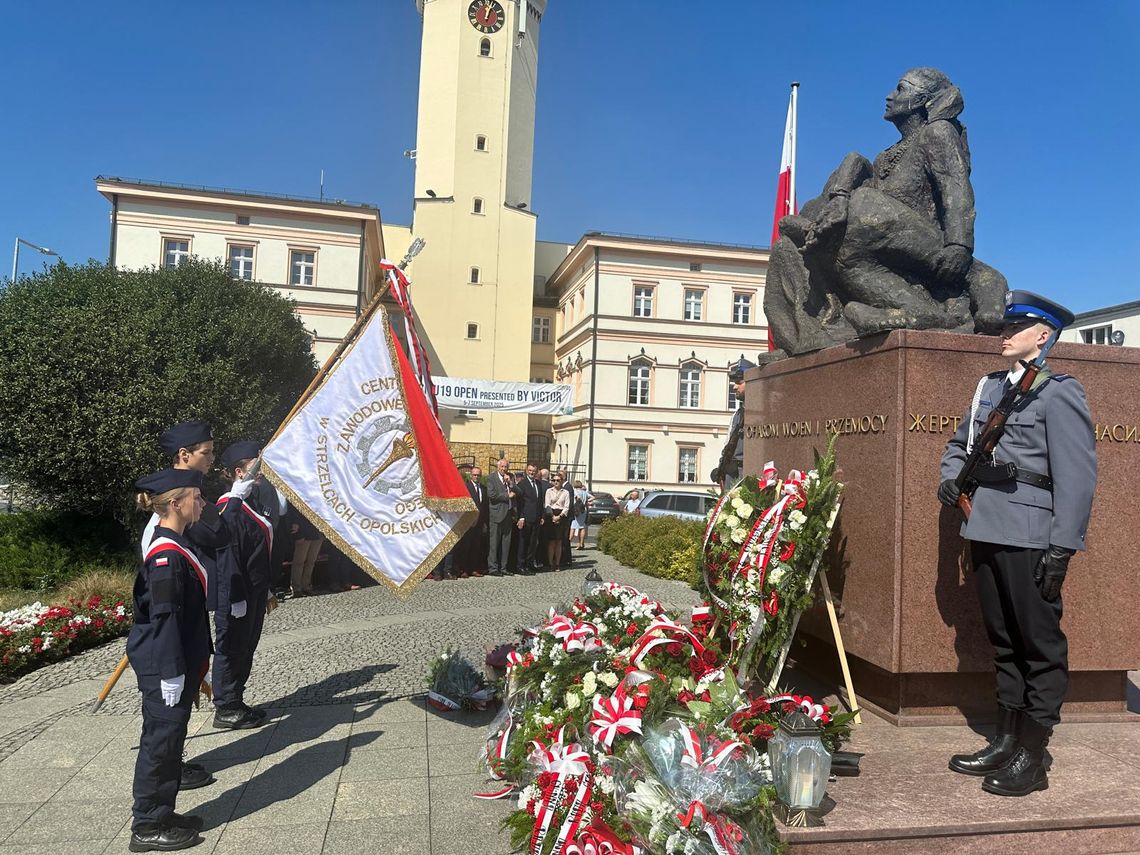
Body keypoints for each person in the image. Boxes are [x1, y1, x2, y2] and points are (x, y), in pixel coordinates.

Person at [939, 290, 1096, 797]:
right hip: (983, 527)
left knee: (1039, 646)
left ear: (1043, 335)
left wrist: (1061, 549)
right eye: (1004, 327)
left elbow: (1077, 477)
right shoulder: (987, 388)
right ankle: (1005, 740)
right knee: (1004, 641)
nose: (1003, 335)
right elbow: (959, 444)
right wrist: (950, 477)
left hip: (1032, 536)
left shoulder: (1059, 392)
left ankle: (1034, 752)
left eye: (1016, 327)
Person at [127, 468, 213, 852]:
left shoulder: (178, 543)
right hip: (165, 663)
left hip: (175, 660)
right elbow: (164, 619)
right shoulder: (166, 556)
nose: (202, 502)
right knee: (160, 744)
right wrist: (171, 672)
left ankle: (162, 810)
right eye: (196, 496)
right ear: (175, 503)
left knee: (171, 739)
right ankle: (146, 824)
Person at [142, 420, 228, 791]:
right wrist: (171, 667)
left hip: (182, 633)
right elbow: (161, 599)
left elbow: (219, 536)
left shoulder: (189, 498)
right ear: (184, 455)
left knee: (172, 721)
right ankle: (157, 798)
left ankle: (172, 766)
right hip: (167, 637)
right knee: (162, 726)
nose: (211, 459)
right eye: (206, 452)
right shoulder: (170, 509)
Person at [212, 440, 274, 730]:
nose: (260, 471)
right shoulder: (229, 507)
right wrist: (236, 596)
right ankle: (225, 706)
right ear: (239, 472)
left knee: (247, 646)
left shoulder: (250, 501)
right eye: (255, 466)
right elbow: (227, 554)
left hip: (254, 588)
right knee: (232, 647)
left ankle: (235, 699)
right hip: (237, 591)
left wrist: (267, 587)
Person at [714, 358, 752, 487]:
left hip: (747, 477)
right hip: (732, 474)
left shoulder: (763, 413)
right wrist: (721, 468)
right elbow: (728, 445)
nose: (734, 386)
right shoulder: (737, 414)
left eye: (739, 382)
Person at [456, 465, 489, 578]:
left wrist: (485, 522)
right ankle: (464, 569)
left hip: (479, 522)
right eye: (474, 475)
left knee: (476, 546)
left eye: (478, 475)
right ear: (471, 475)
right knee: (466, 546)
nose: (476, 477)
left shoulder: (484, 489)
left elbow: (485, 506)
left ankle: (474, 568)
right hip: (468, 522)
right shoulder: (466, 487)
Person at [486, 458, 517, 576]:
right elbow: (491, 495)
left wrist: (511, 483)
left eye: (506, 467)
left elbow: (517, 491)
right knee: (494, 543)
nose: (504, 469)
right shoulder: (491, 478)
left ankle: (504, 567)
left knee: (506, 542)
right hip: (496, 514)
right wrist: (507, 496)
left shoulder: (510, 477)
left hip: (508, 515)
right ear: (498, 467)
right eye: (502, 467)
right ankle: (493, 568)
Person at [514, 463, 545, 574]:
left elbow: (540, 501)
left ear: (536, 472)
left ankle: (529, 564)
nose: (532, 472)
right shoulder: (522, 484)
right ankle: (520, 566)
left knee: (532, 543)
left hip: (536, 518)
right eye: (530, 470)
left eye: (534, 471)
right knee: (523, 543)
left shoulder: (538, 484)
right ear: (527, 471)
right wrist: (521, 517)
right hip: (526, 518)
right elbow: (519, 503)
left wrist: (541, 516)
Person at [287, 503, 324, 595]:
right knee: (299, 561)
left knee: (311, 561)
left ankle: (306, 585)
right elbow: (296, 513)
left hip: (317, 532)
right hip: (304, 531)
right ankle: (296, 587)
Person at [544, 473, 571, 571]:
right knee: (551, 541)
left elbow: (567, 507)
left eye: (558, 480)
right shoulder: (548, 491)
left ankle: (558, 563)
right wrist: (552, 516)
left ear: (562, 481)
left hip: (561, 516)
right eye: (553, 480)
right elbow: (547, 504)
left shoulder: (566, 492)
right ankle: (551, 563)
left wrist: (559, 517)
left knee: (559, 541)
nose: (555, 482)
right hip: (551, 515)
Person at [570, 480, 591, 549]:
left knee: (573, 526)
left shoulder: (575, 491)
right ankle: (581, 543)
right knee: (582, 527)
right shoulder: (584, 492)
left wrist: (578, 500)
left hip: (577, 510)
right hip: (583, 510)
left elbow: (577, 497)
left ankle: (568, 542)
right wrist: (587, 502)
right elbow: (593, 497)